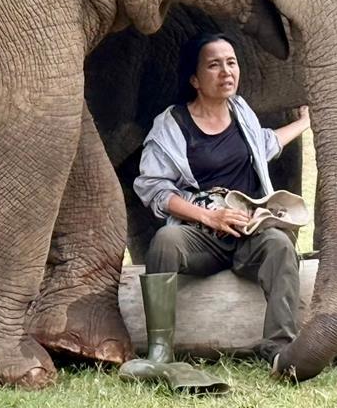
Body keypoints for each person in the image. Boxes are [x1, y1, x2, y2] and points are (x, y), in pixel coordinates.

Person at [132, 32, 311, 371]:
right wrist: (208, 217)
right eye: (214, 65)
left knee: (279, 245)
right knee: (166, 240)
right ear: (195, 79)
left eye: (231, 63)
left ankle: (280, 349)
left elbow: (265, 144)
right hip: (202, 235)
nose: (226, 72)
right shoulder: (171, 124)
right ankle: (160, 352)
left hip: (249, 233)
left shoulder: (241, 112)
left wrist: (304, 122)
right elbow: (153, 188)